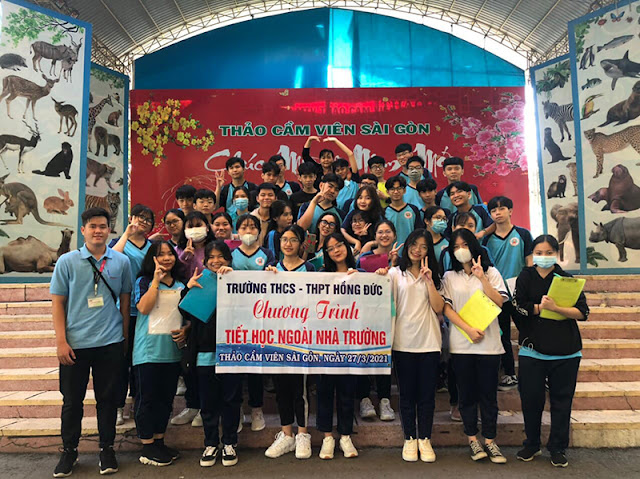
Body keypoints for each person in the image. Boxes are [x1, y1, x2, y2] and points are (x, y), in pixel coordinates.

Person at [51, 207, 132, 477]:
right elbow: (58, 304)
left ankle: (107, 449)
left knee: (107, 400)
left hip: (110, 342)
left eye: (103, 226)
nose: (98, 231)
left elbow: (125, 302)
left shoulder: (121, 262)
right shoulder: (67, 262)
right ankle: (69, 451)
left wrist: (124, 338)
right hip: (75, 344)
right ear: (83, 230)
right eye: (93, 226)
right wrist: (61, 342)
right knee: (72, 401)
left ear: (110, 230)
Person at [513, 235, 589, 468]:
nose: (543, 257)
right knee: (531, 400)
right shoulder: (525, 277)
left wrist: (557, 308)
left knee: (561, 402)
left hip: (566, 352)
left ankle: (557, 448)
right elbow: (518, 307)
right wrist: (539, 308)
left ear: (556, 254)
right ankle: (531, 444)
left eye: (548, 253)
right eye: (539, 252)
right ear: (532, 254)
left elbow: (583, 312)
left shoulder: (567, 280)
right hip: (532, 351)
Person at [441, 229, 509, 464]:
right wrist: (468, 329)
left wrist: (482, 278)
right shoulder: (449, 276)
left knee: (488, 396)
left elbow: (499, 301)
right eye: (456, 246)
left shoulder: (491, 272)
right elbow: (447, 308)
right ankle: (472, 439)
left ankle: (490, 440)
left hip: (489, 346)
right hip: (462, 345)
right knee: (466, 395)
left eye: (464, 245)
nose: (461, 250)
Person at [375, 229, 443, 462]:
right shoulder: (396, 273)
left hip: (429, 342)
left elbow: (438, 308)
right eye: (414, 244)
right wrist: (381, 273)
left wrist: (429, 281)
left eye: (423, 246)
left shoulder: (434, 275)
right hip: (402, 343)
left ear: (428, 250)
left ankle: (425, 439)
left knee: (426, 396)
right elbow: (379, 296)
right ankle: (410, 438)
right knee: (406, 396)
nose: (417, 250)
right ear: (407, 245)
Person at [182, 240, 242, 468]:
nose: (216, 261)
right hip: (205, 353)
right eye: (211, 258)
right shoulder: (201, 281)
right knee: (207, 402)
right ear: (205, 261)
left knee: (231, 400)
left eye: (221, 257)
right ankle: (210, 443)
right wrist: (189, 288)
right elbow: (185, 311)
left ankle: (229, 443)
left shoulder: (239, 281)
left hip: (233, 351)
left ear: (229, 259)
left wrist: (233, 280)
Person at [132, 241, 188, 467]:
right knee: (147, 399)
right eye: (160, 254)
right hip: (148, 352)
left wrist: (186, 331)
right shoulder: (143, 281)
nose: (166, 258)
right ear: (152, 258)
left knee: (165, 400)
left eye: (169, 254)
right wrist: (155, 280)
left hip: (172, 352)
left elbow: (187, 315)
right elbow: (143, 308)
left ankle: (159, 441)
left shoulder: (181, 284)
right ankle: (147, 446)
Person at [263, 225, 315, 460]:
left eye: (294, 239)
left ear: (301, 243)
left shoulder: (310, 269)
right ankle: (286, 434)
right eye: (284, 239)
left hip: (301, 337)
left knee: (299, 389)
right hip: (277, 337)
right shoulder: (271, 269)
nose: (288, 243)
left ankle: (303, 434)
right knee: (281, 387)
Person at [317, 233, 360, 459]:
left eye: (339, 245)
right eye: (331, 248)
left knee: (347, 391)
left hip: (351, 341)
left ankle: (345, 435)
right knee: (325, 391)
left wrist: (377, 276)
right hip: (325, 342)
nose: (336, 250)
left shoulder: (359, 274)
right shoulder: (321, 276)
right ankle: (327, 437)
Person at [483, 196, 533, 392]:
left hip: (520, 294)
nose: (498, 213)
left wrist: (529, 288)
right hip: (498, 296)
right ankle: (510, 374)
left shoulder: (523, 234)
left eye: (502, 209)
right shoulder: (487, 240)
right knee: (502, 334)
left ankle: (534, 371)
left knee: (528, 331)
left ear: (511, 211)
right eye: (494, 210)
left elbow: (529, 262)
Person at [110, 204, 154, 426]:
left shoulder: (152, 246)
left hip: (146, 310)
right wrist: (127, 234)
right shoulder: (119, 243)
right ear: (131, 218)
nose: (143, 221)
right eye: (140, 217)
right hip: (123, 310)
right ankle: (118, 406)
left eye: (148, 219)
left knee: (140, 361)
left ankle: (137, 403)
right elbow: (111, 261)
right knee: (121, 360)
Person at [232, 214, 275, 432]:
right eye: (244, 227)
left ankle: (257, 409)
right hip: (235, 318)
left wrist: (273, 273)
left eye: (252, 227)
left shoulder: (267, 254)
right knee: (236, 365)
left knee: (255, 366)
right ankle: (237, 409)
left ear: (259, 231)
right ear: (237, 231)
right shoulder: (231, 254)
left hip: (260, 317)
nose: (248, 231)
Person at [341, 185, 384, 254]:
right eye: (360, 198)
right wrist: (356, 242)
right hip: (353, 249)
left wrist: (369, 244)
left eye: (367, 198)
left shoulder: (378, 216)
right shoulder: (353, 213)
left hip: (373, 252)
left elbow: (384, 237)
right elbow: (342, 230)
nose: (363, 201)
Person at [384, 175, 422, 250]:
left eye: (399, 188)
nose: (396, 192)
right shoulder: (384, 212)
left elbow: (419, 232)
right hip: (391, 251)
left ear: (404, 190)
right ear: (387, 192)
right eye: (392, 189)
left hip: (410, 251)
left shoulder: (413, 210)